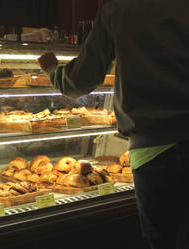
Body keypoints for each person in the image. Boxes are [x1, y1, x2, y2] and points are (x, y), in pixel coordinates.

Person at [38, 1, 189, 249]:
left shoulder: (118, 8)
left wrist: (53, 70)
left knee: (162, 241)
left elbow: (80, 81)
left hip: (152, 149)